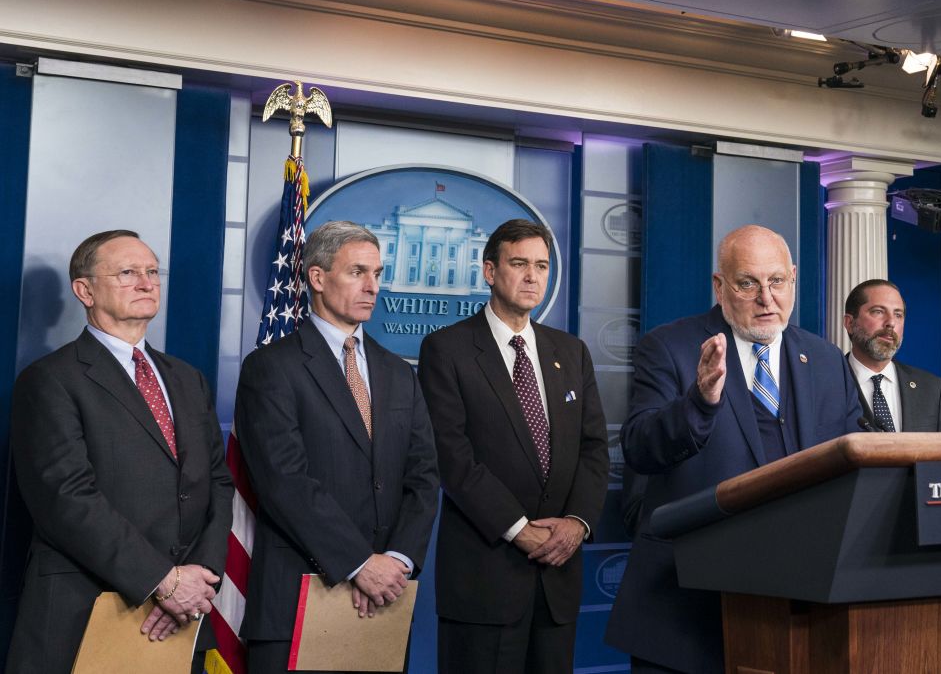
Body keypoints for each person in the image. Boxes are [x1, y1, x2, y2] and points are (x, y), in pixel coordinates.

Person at [605, 225, 864, 673]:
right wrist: (699, 402)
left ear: (794, 279)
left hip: (796, 610)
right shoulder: (671, 348)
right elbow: (639, 448)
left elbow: (850, 468)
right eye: (748, 283)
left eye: (777, 281)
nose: (767, 298)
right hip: (685, 612)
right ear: (719, 286)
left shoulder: (824, 359)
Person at [7, 230, 232, 674]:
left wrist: (196, 580)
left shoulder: (187, 379)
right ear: (84, 290)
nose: (147, 283)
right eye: (128, 272)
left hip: (185, 612)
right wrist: (162, 583)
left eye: (152, 272)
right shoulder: (50, 380)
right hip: (86, 608)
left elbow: (218, 484)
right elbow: (67, 500)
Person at [234, 221, 439, 673]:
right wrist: (358, 563)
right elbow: (284, 482)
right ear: (318, 278)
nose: (372, 287)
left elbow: (423, 477)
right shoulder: (271, 367)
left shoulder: (398, 373)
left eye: (378, 274)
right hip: (300, 599)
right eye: (357, 272)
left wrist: (397, 562)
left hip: (386, 598)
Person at [419, 218, 608, 674]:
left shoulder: (572, 351)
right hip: (485, 579)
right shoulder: (447, 349)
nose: (532, 276)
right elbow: (452, 456)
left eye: (541, 266)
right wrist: (518, 528)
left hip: (557, 580)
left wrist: (576, 524)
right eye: (519, 263)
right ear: (489, 271)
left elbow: (593, 449)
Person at [844, 279, 941, 433]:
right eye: (878, 312)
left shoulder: (933, 389)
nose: (891, 323)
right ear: (849, 323)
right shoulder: (826, 385)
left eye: (898, 314)